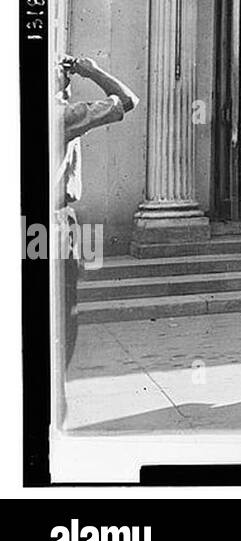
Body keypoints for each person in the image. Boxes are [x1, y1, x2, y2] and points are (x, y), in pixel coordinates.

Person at [54, 55, 139, 382]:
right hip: (58, 220)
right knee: (64, 308)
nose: (65, 72)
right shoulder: (64, 114)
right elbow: (129, 99)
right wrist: (93, 71)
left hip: (32, 223)